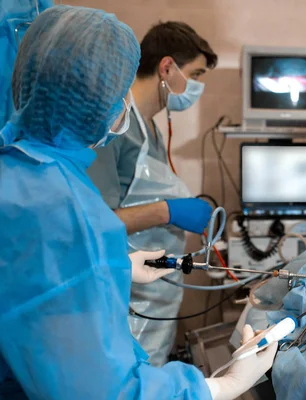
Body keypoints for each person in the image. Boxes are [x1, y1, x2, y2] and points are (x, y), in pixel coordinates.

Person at [0, 6, 276, 399]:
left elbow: (33, 278)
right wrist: (222, 386)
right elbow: (107, 391)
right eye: (117, 94)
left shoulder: (18, 169)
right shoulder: (59, 202)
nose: (122, 107)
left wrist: (115, 265)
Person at [87, 21, 218, 365]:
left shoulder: (151, 132)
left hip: (153, 299)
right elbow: (92, 223)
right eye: (196, 74)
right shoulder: (116, 127)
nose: (197, 86)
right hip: (121, 300)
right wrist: (169, 211)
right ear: (167, 67)